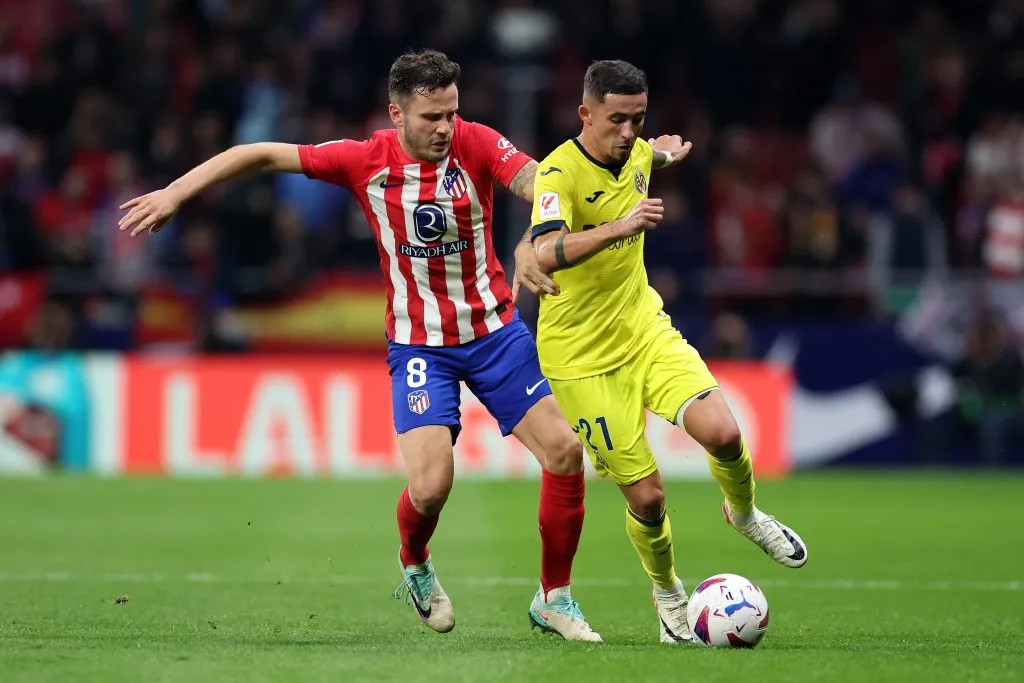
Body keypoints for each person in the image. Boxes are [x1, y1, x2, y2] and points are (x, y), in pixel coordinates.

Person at [117, 49, 602, 642]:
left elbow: (543, 183)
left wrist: (536, 236)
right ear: (397, 114)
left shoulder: (478, 143)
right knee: (430, 487)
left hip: (494, 334)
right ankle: (415, 562)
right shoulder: (363, 160)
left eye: (451, 113)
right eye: (431, 118)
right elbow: (261, 153)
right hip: (419, 346)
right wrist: (175, 193)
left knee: (564, 453)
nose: (446, 129)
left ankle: (555, 597)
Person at [521, 59, 809, 644]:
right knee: (649, 496)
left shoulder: (640, 155)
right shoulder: (558, 173)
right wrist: (619, 227)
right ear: (586, 113)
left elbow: (651, 154)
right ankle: (669, 591)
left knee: (724, 432)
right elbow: (545, 252)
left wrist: (665, 152)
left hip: (644, 329)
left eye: (639, 120)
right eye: (616, 120)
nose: (628, 133)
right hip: (581, 359)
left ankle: (746, 514)